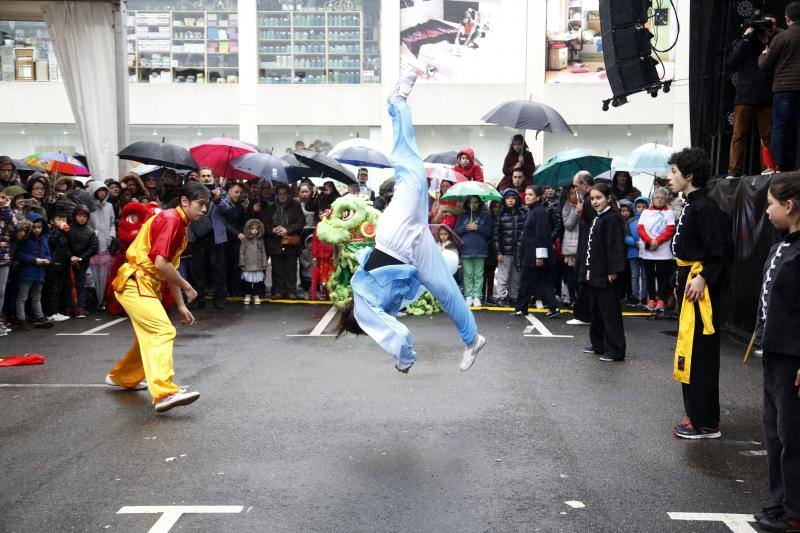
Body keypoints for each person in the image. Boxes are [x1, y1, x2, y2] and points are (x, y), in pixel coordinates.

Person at [335, 72, 485, 373]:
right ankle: (472, 341)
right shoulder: (375, 304)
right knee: (446, 290)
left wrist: (404, 362)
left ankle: (398, 103)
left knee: (411, 173)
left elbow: (398, 334)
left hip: (396, 241)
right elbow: (395, 322)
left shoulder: (367, 309)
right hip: (407, 251)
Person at [105, 182, 208, 414]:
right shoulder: (172, 220)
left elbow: (167, 268)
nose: (204, 209)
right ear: (184, 201)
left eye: (206, 205)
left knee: (149, 336)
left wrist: (181, 304)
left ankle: (122, 377)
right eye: (200, 204)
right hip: (135, 282)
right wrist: (187, 286)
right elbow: (162, 264)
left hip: (141, 284)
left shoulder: (179, 223)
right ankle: (164, 392)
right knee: (162, 331)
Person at [668, 147, 732, 439]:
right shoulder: (694, 205)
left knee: (702, 354)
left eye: (674, 172)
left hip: (701, 293)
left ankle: (705, 422)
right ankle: (697, 413)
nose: (670, 178)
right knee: (691, 351)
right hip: (691, 285)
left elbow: (721, 253)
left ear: (689, 175)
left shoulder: (706, 208)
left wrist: (703, 276)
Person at [752, 174, 800, 532]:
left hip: (793, 358)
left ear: (789, 205)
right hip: (774, 353)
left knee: (793, 435)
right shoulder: (782, 244)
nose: (767, 211)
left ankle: (795, 509)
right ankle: (781, 502)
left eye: (770, 204)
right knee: (775, 433)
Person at [581, 182, 627, 362]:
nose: (594, 201)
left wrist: (613, 270)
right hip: (596, 273)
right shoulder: (598, 217)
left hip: (607, 274)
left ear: (608, 199)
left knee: (610, 312)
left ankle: (615, 349)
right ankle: (599, 344)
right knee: (597, 311)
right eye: (592, 198)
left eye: (598, 198)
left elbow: (615, 246)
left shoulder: (611, 218)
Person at [728, 18, 778, 176]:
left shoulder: (775, 40)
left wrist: (768, 37)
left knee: (767, 134)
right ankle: (734, 170)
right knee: (738, 134)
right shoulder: (745, 41)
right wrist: (745, 37)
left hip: (764, 93)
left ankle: (768, 167)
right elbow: (731, 62)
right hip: (745, 93)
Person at [758, 2, 800, 171]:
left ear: (787, 18)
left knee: (780, 127)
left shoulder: (781, 38)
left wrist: (763, 55)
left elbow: (765, 65)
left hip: (783, 89)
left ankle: (775, 165)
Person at [513, 185, 562, 319]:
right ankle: (553, 308)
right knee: (542, 281)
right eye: (526, 194)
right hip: (533, 253)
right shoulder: (533, 210)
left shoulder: (539, 212)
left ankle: (521, 308)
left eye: (530, 194)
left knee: (528, 280)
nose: (527, 196)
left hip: (535, 254)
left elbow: (542, 235)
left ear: (538, 197)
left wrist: (540, 257)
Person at [261, 183, 304, 299]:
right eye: (280, 194)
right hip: (275, 241)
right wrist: (273, 230)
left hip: (290, 241)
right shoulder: (271, 207)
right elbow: (265, 224)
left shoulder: (295, 205)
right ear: (276, 194)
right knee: (277, 268)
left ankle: (291, 291)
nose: (282, 196)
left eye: (284, 193)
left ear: (289, 194)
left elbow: (301, 222)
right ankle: (278, 290)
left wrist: (288, 229)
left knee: (291, 267)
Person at [637, 187, 676, 313]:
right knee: (648, 276)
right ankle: (651, 299)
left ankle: (661, 299)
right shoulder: (646, 212)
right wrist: (650, 241)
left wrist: (657, 241)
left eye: (662, 198)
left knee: (662, 276)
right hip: (648, 250)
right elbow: (640, 228)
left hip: (662, 251)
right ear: (652, 199)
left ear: (666, 200)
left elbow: (670, 230)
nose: (659, 200)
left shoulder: (669, 213)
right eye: (657, 197)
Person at [14, 213, 53, 330]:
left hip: (39, 271)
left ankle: (39, 317)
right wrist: (34, 260)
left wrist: (48, 260)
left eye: (39, 227)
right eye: (34, 227)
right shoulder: (25, 239)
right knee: (23, 297)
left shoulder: (44, 239)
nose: (37, 230)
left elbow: (47, 253)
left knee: (37, 296)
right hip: (27, 271)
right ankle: (21, 319)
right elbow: (19, 254)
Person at [455, 195, 493, 307]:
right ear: (467, 204)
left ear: (479, 203)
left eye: (476, 202)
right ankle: (468, 296)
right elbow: (456, 231)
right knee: (467, 274)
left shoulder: (486, 216)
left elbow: (489, 232)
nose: (473, 205)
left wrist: (478, 228)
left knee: (478, 274)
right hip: (466, 249)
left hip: (480, 249)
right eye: (471, 202)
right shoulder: (462, 216)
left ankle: (477, 296)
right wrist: (465, 227)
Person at [569, 171, 595, 326]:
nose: (575, 188)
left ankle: (583, 315)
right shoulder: (586, 199)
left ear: (584, 184)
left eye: (576, 185)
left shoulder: (589, 200)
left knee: (584, 279)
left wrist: (581, 209)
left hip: (588, 246)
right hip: (584, 243)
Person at [494, 189, 526, 307]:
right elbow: (496, 235)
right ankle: (501, 297)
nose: (510, 200)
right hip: (505, 251)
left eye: (513, 198)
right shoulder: (501, 215)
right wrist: (499, 251)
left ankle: (513, 296)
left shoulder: (523, 214)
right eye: (508, 198)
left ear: (517, 199)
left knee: (516, 276)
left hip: (518, 251)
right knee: (503, 275)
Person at [89, 182, 117, 311]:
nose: (102, 193)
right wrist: (92, 233)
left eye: (104, 191)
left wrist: (111, 235)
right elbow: (86, 223)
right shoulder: (89, 207)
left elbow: (112, 223)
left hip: (106, 244)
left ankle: (103, 300)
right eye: (99, 191)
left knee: (106, 275)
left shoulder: (109, 206)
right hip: (93, 245)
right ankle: (97, 301)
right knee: (93, 276)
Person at [67, 204, 98, 318]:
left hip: (82, 262)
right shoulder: (68, 228)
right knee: (68, 285)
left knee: (80, 284)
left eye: (84, 216)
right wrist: (70, 256)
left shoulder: (90, 231)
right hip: (68, 261)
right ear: (75, 216)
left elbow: (94, 248)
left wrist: (80, 258)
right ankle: (70, 307)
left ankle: (80, 306)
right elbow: (64, 244)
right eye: (79, 215)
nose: (82, 218)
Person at [219, 182, 248, 296]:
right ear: (229, 191)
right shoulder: (222, 203)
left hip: (237, 239)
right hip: (225, 238)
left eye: (240, 193)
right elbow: (223, 222)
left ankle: (235, 289)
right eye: (236, 192)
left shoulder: (240, 205)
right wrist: (236, 233)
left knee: (236, 265)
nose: (238, 195)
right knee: (225, 265)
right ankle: (226, 289)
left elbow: (241, 221)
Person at [43, 210, 70, 322]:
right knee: (51, 289)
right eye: (58, 220)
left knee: (58, 289)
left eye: (63, 220)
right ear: (52, 221)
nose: (61, 222)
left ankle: (55, 311)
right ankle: (50, 313)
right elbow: (52, 243)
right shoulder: (51, 232)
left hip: (61, 264)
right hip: (52, 264)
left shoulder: (64, 232)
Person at [625, 196, 650, 308]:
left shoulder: (650, 220)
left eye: (644, 206)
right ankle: (635, 297)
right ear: (635, 207)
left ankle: (644, 297)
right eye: (639, 206)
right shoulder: (630, 221)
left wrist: (646, 242)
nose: (641, 208)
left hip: (647, 252)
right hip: (633, 252)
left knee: (645, 275)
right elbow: (625, 236)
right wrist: (634, 242)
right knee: (634, 275)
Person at [0, 185, 18, 335]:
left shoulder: (6, 212)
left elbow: (15, 227)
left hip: (4, 257)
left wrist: (7, 208)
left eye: (2, 197)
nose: (1, 200)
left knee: (1, 291)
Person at [239, 218, 268, 305]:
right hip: (248, 264)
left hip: (258, 264)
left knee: (257, 282)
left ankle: (256, 295)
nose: (254, 231)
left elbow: (263, 251)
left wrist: (264, 262)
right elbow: (242, 252)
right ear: (248, 229)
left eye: (256, 229)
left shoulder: (260, 240)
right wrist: (242, 262)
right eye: (252, 229)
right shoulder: (245, 240)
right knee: (248, 281)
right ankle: (248, 295)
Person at [561, 184, 580, 306]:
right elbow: (568, 225)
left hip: (582, 244)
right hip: (572, 245)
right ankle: (571, 298)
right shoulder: (566, 207)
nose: (575, 195)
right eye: (572, 193)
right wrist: (576, 211)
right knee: (571, 274)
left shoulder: (585, 204)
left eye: (576, 192)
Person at [310, 225, 333, 301]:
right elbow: (315, 242)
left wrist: (335, 253)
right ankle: (323, 293)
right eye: (320, 214)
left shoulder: (334, 225)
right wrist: (314, 255)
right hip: (321, 256)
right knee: (322, 276)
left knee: (331, 275)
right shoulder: (319, 227)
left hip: (331, 256)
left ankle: (330, 293)